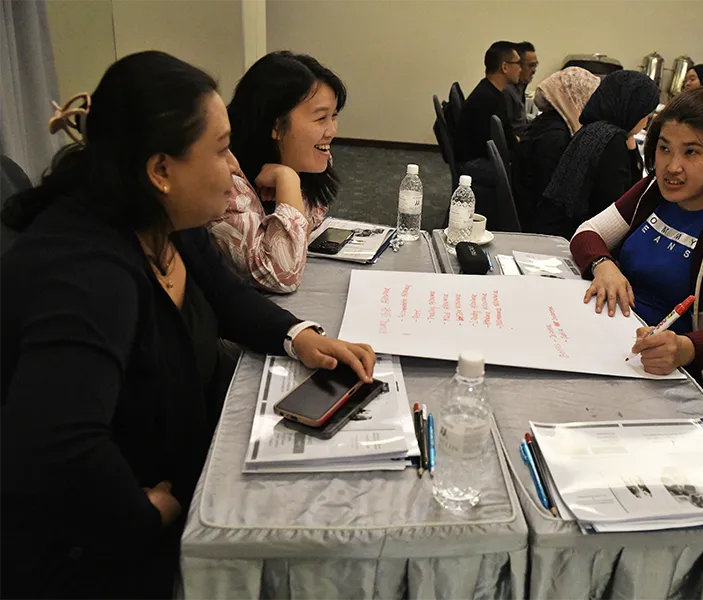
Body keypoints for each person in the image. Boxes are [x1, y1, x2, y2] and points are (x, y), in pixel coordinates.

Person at [0, 51, 375, 599]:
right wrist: (148, 515)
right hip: (96, 551)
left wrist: (303, 337)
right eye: (221, 150)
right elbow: (58, 444)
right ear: (161, 170)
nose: (235, 169)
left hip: (184, 461)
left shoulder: (163, 216)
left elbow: (227, 297)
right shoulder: (88, 274)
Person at [570, 87, 703, 402]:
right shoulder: (653, 190)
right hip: (614, 337)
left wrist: (684, 348)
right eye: (664, 148)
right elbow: (587, 233)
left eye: (691, 152)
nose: (672, 166)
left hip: (677, 372)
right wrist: (603, 265)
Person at [208, 51, 345, 293]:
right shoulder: (225, 181)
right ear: (276, 125)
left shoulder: (310, 159)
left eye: (333, 116)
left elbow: (309, 226)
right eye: (321, 118)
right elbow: (284, 275)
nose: (332, 130)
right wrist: (288, 180)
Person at [533, 70, 659, 239]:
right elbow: (621, 207)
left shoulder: (594, 129)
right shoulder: (612, 142)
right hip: (576, 236)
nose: (646, 121)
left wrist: (630, 145)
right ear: (634, 109)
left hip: (557, 227)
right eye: (647, 114)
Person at [511, 67, 600, 231]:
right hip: (540, 222)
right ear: (576, 97)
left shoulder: (547, 122)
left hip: (531, 209)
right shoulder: (555, 137)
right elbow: (552, 193)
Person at [454, 41, 521, 167]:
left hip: (473, 159)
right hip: (476, 164)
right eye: (518, 63)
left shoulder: (486, 90)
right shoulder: (490, 99)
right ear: (504, 67)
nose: (520, 69)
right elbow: (503, 144)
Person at [503, 41, 539, 137]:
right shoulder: (508, 92)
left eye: (535, 65)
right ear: (518, 65)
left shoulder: (520, 87)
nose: (534, 70)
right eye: (531, 65)